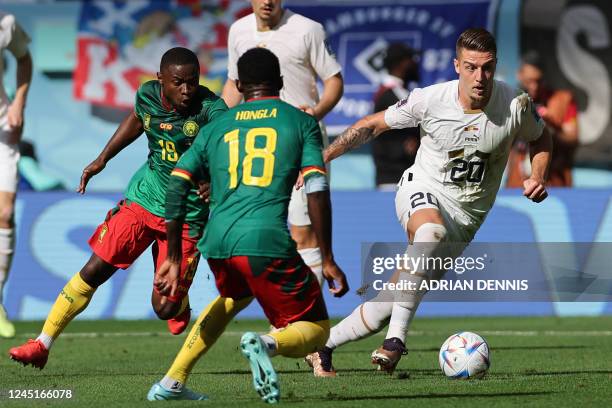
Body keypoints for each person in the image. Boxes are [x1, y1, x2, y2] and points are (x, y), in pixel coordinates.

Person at [305, 28, 552, 377]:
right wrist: (325, 155)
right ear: (456, 66)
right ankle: (396, 342)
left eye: (487, 68)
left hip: (466, 219)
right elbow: (373, 125)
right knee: (430, 231)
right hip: (421, 188)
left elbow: (542, 138)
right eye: (470, 67)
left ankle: (323, 346)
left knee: (388, 305)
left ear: (495, 66)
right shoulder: (430, 99)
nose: (479, 77)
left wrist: (538, 175)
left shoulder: (515, 104)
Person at [146, 47, 348, 403]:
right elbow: (316, 188)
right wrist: (327, 257)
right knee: (316, 330)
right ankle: (266, 343)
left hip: (217, 241)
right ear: (282, 83)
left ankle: (171, 381)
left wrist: (174, 257)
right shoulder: (300, 123)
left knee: (231, 299)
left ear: (238, 85)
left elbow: (178, 181)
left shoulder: (217, 126)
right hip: (265, 239)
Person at [9, 47, 228, 368]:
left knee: (164, 309)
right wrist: (102, 159)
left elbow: (227, 142)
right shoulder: (147, 96)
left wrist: (212, 176)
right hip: (144, 198)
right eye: (178, 82)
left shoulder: (211, 109)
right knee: (94, 268)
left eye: (192, 82)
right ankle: (41, 343)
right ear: (161, 80)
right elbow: (137, 121)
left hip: (187, 213)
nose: (186, 90)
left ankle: (179, 304)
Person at [222, 0, 343, 289]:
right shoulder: (238, 31)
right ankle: (288, 314)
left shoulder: (307, 29)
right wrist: (220, 124)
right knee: (268, 229)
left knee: (303, 231)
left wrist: (316, 112)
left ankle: (306, 320)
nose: (268, 2)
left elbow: (334, 81)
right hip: (259, 146)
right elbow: (232, 84)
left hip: (300, 139)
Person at [0, 12, 32, 339]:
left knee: (5, 214)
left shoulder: (5, 24)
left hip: (1, 130)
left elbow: (24, 60)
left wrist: (18, 103)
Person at [507, 50, 579, 187]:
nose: (534, 86)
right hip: (517, 183)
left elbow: (573, 139)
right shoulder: (510, 101)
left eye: (538, 81)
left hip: (555, 184)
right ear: (519, 75)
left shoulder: (563, 100)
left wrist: (553, 126)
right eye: (529, 81)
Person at [372, 43, 420, 190]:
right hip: (393, 178)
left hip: (410, 174)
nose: (414, 63)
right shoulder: (387, 96)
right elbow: (382, 135)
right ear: (400, 64)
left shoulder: (403, 92)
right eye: (410, 59)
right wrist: (405, 148)